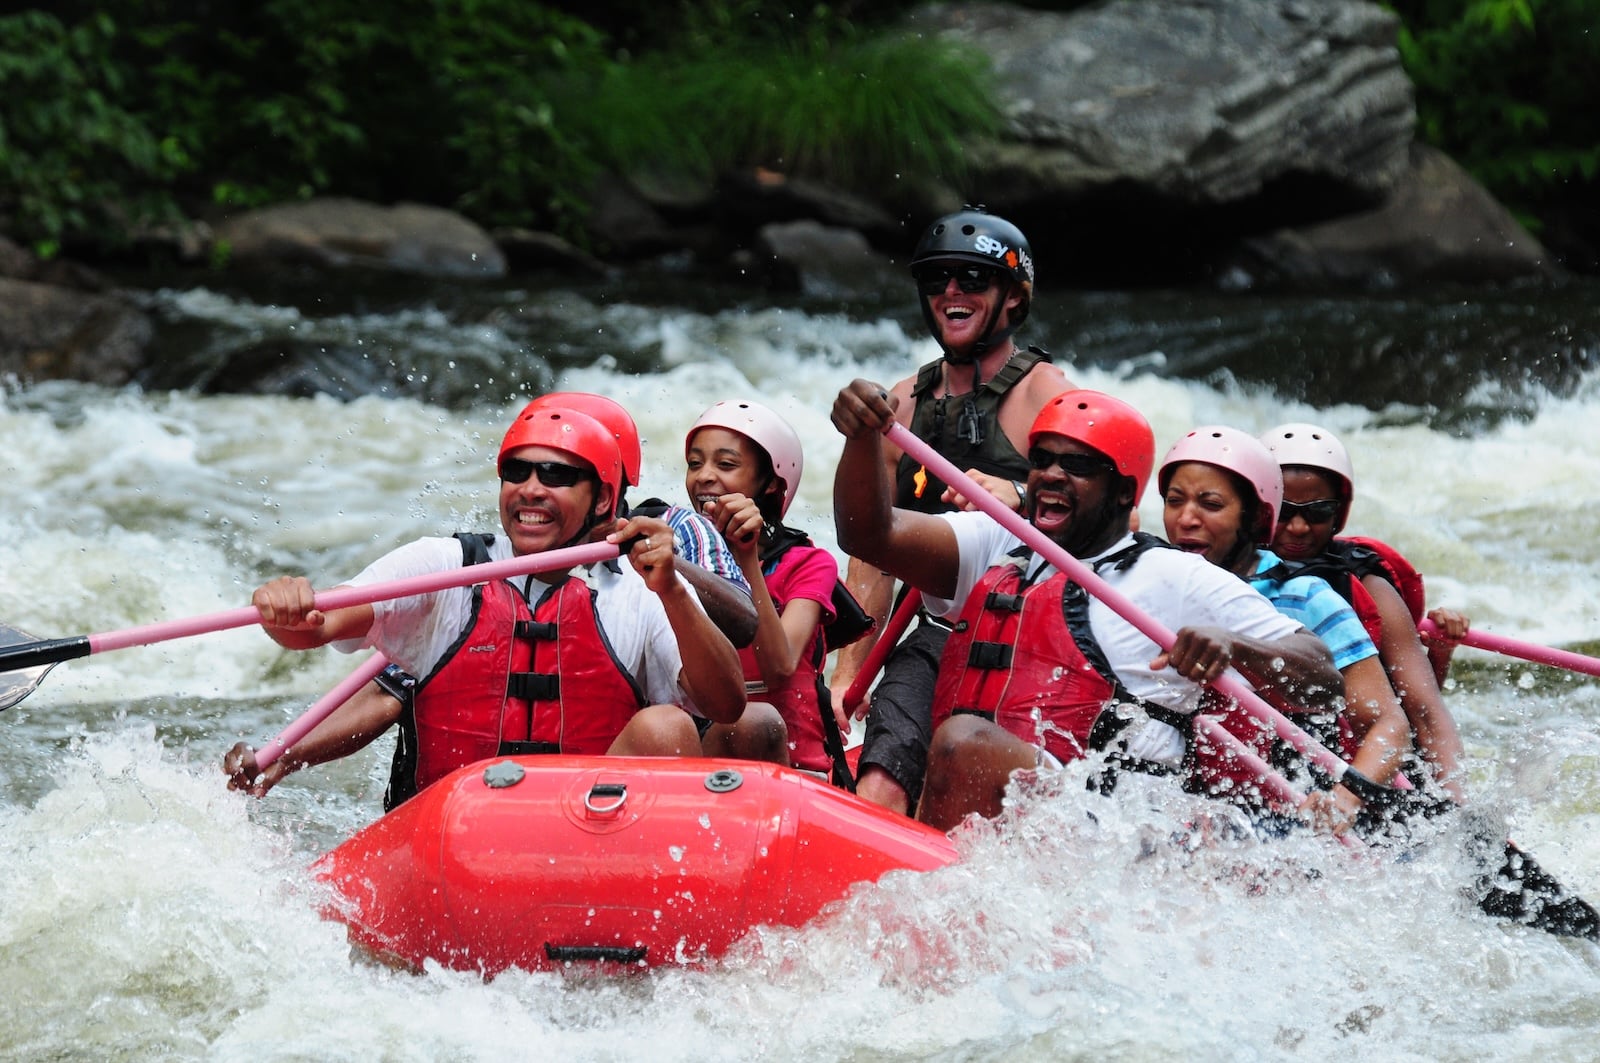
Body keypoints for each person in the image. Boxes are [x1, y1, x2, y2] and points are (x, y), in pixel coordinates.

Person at [831, 384, 1345, 833]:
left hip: (1108, 822)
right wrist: (861, 440)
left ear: (1123, 492)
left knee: (966, 744)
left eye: (1076, 466)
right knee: (947, 741)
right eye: (1042, 461)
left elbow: (1323, 680)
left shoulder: (1173, 576)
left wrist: (1234, 647)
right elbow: (869, 535)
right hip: (982, 799)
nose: (1051, 475)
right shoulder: (997, 541)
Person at [224, 391, 758, 800]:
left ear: (604, 499)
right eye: (516, 471)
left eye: (556, 475)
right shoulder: (445, 566)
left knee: (665, 728)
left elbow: (727, 704)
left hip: (588, 827)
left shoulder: (646, 580)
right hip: (454, 827)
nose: (530, 488)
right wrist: (286, 606)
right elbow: (317, 625)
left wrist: (673, 592)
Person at [829, 206, 1074, 816]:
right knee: (880, 785)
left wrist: (1018, 496)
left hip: (1029, 637)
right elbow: (872, 556)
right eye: (937, 279)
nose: (952, 292)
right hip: (937, 633)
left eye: (972, 279)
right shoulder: (901, 403)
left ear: (1013, 299)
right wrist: (846, 674)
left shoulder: (1047, 395)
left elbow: (1113, 527)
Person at [1157, 426, 1412, 833]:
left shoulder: (1307, 597)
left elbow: (1389, 724)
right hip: (1185, 801)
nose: (1187, 519)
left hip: (1289, 806)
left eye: (1210, 504)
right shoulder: (1147, 582)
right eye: (1174, 501)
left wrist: (1345, 799)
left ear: (1256, 518)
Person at [1259, 422, 1468, 803]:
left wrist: (1458, 807)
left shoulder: (1368, 587)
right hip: (1270, 762)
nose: (1299, 526)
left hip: (1364, 772)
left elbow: (1424, 712)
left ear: (1340, 515)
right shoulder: (1220, 569)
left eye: (1318, 511)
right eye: (1284, 511)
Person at [685, 399, 844, 775]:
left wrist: (746, 560)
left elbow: (780, 666)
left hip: (791, 765)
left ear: (770, 483)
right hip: (703, 757)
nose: (704, 476)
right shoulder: (677, 555)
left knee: (752, 723)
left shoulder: (809, 563)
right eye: (695, 464)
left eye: (725, 464)